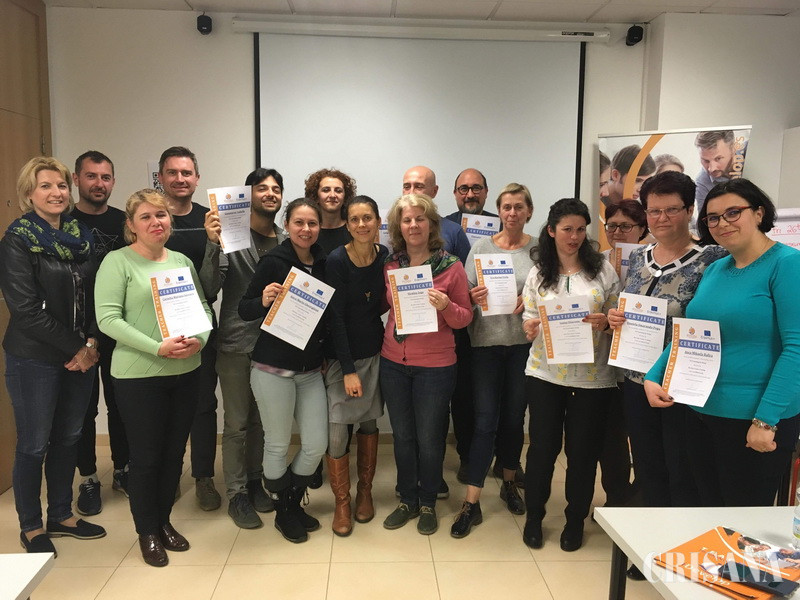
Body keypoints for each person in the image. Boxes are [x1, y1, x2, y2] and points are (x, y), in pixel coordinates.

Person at [645, 178, 800, 507]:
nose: (722, 223)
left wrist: (766, 420)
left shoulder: (787, 264)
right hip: (700, 412)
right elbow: (692, 332)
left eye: (733, 212)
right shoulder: (716, 269)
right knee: (707, 512)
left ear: (759, 213)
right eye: (713, 218)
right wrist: (654, 375)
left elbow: (796, 349)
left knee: (742, 524)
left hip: (754, 421)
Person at [95, 188, 211, 566]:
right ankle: (146, 531)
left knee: (175, 454)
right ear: (131, 225)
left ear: (170, 221)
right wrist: (157, 348)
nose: (155, 222)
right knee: (146, 458)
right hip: (138, 376)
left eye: (161, 215)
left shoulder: (180, 261)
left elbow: (202, 306)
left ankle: (163, 521)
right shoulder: (117, 262)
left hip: (186, 372)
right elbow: (108, 319)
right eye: (145, 216)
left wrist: (200, 340)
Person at [1, 157, 106, 557]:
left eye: (61, 185)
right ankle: (30, 525)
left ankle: (61, 515)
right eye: (45, 186)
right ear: (29, 194)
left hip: (82, 356)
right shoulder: (17, 240)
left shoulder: (82, 236)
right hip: (35, 359)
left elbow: (97, 294)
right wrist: (78, 348)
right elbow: (26, 311)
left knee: (69, 437)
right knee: (33, 444)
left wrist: (91, 342)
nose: (56, 192)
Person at [521, 198, 619, 552]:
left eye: (580, 229)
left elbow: (617, 316)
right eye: (567, 229)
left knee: (582, 454)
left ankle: (575, 520)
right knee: (542, 450)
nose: (574, 237)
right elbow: (528, 316)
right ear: (551, 231)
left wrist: (606, 322)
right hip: (545, 376)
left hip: (592, 379)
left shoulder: (603, 270)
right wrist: (530, 326)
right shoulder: (538, 272)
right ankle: (534, 517)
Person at [199, 168, 286, 529]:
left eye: (276, 188)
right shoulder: (231, 236)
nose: (270, 193)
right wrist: (212, 243)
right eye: (262, 188)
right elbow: (209, 289)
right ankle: (236, 493)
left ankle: (254, 482)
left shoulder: (286, 239)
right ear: (247, 195)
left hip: (275, 345)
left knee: (262, 421)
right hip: (236, 342)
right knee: (236, 423)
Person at [238, 198, 328, 544]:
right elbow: (244, 309)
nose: (306, 229)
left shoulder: (323, 263)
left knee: (316, 444)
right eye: (299, 222)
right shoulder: (273, 262)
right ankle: (283, 510)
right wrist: (263, 300)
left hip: (310, 370)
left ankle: (291, 499)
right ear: (287, 225)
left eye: (312, 223)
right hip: (272, 368)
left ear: (320, 227)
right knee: (277, 444)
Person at [381, 193, 472, 536]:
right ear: (399, 227)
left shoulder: (451, 266)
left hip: (436, 367)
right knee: (403, 437)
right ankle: (407, 499)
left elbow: (464, 318)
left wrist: (446, 305)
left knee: (430, 439)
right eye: (406, 220)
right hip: (393, 362)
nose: (413, 225)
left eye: (420, 218)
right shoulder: (392, 264)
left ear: (431, 224)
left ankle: (429, 502)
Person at [451, 183, 535, 538]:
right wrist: (472, 295)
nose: (512, 213)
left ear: (529, 211)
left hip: (522, 347)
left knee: (514, 420)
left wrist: (530, 300)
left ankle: (509, 482)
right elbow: (462, 296)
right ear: (499, 211)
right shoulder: (481, 248)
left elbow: (549, 291)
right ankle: (471, 502)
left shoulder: (538, 250)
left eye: (519, 207)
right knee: (485, 420)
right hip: (485, 345)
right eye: (507, 207)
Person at [158, 146, 221, 511]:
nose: (180, 179)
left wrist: (213, 242)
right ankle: (166, 475)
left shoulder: (208, 220)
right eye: (172, 172)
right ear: (161, 177)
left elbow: (213, 284)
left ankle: (204, 478)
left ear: (197, 178)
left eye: (186, 173)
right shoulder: (152, 217)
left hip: (201, 324)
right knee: (162, 405)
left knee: (203, 404)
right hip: (155, 326)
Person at [323, 195, 388, 536]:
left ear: (378, 222)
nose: (362, 224)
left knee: (369, 423)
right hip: (342, 357)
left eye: (368, 218)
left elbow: (382, 303)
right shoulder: (336, 260)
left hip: (374, 352)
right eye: (355, 219)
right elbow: (334, 317)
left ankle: (365, 492)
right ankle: (342, 502)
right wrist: (348, 369)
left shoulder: (385, 257)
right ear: (347, 225)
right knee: (337, 431)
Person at [71, 150, 130, 517]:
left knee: (121, 405)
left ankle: (123, 470)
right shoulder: (64, 222)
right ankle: (89, 477)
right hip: (78, 333)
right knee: (84, 409)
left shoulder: (125, 222)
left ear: (113, 182)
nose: (99, 183)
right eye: (91, 176)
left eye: (105, 177)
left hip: (119, 329)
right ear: (76, 179)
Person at [442, 168, 498, 484]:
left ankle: (501, 458)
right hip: (458, 327)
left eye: (476, 188)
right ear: (454, 193)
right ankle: (466, 456)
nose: (470, 194)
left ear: (486, 191)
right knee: (462, 395)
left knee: (495, 396)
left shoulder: (502, 225)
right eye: (463, 189)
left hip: (495, 325)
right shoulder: (444, 228)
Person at [597, 199, 648, 511]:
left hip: (643, 368)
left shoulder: (652, 262)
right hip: (608, 367)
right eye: (611, 226)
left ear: (641, 229)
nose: (617, 232)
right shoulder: (596, 262)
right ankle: (616, 499)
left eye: (625, 226)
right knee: (611, 439)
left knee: (643, 440)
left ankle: (642, 500)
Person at [402, 166, 471, 264]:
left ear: (434, 191)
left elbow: (465, 271)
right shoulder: (395, 229)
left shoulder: (454, 232)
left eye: (419, 187)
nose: (411, 192)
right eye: (407, 187)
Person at [693, 130, 747, 212]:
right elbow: (705, 218)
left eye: (718, 158)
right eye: (705, 161)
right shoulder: (702, 183)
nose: (712, 169)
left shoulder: (752, 148)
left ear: (733, 149)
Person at [305, 168, 356, 254]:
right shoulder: (307, 231)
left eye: (338, 191)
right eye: (326, 190)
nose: (332, 195)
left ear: (345, 197)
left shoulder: (354, 230)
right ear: (316, 196)